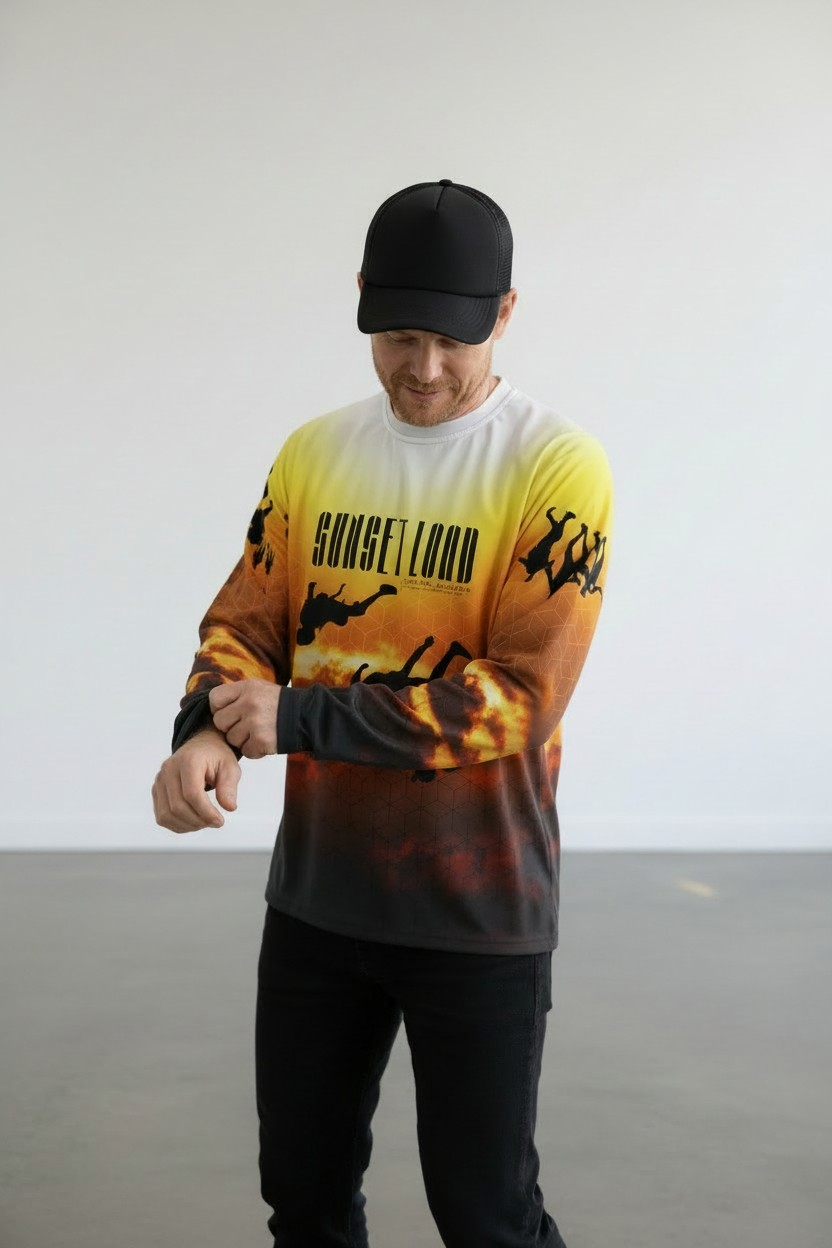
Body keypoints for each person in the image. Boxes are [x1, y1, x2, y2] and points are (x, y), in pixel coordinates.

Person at [152, 178, 613, 1248]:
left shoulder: (556, 467)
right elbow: (249, 620)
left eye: (452, 340)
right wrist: (206, 728)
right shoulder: (315, 453)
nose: (425, 368)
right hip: (319, 902)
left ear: (504, 313)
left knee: (486, 1218)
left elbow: (519, 700)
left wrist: (299, 719)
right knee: (303, 1203)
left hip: (479, 910)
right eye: (400, 336)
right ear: (361, 297)